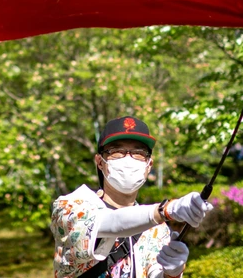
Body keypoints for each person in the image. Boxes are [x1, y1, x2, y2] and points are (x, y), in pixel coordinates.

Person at [51, 116, 213, 278]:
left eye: (138, 153)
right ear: (100, 162)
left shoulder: (157, 229)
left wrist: (172, 273)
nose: (127, 159)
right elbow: (114, 223)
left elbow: (154, 272)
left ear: (149, 165)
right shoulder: (71, 207)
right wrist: (166, 210)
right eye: (117, 151)